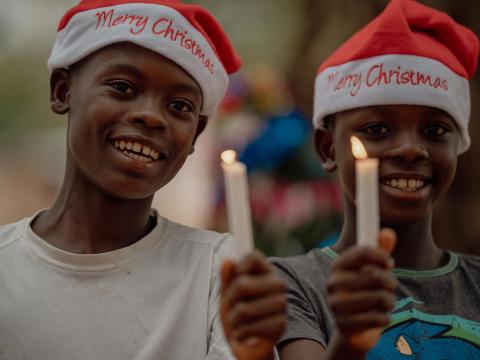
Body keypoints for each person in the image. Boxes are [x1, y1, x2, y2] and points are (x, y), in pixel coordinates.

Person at [0, 1, 285, 359]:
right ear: (62, 91)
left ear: (196, 133)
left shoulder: (218, 270)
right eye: (122, 86)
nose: (151, 117)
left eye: (179, 105)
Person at [271, 0, 480, 359]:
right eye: (377, 129)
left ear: (458, 144)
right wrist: (350, 341)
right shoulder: (292, 284)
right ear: (327, 149)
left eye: (435, 129)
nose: (411, 149)